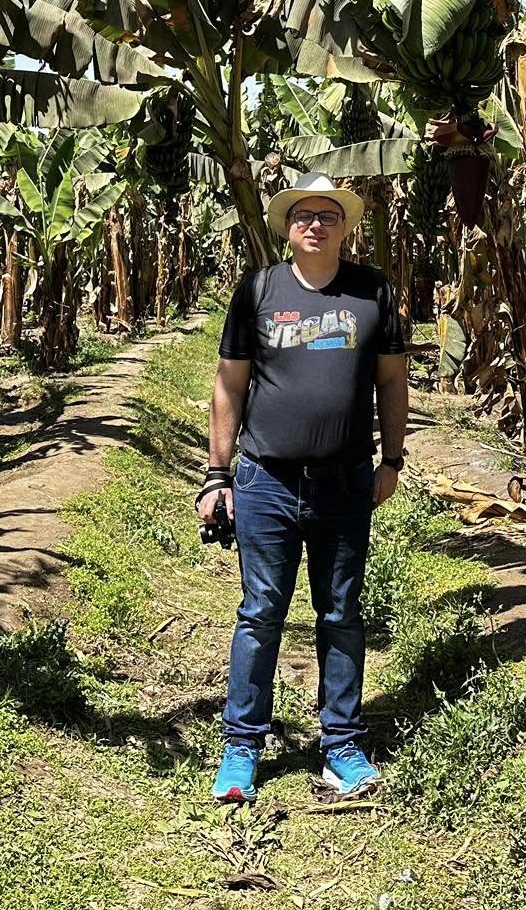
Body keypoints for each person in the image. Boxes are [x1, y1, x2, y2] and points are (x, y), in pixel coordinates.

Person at [197, 172, 409, 803]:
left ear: (344, 228)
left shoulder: (372, 291)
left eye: (328, 216)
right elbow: (229, 385)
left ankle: (341, 745)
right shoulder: (259, 290)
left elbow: (391, 381)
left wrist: (392, 459)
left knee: (340, 612)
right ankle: (242, 746)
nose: (315, 225)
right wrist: (217, 474)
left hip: (345, 481)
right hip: (265, 480)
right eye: (303, 216)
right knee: (261, 613)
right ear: (287, 227)